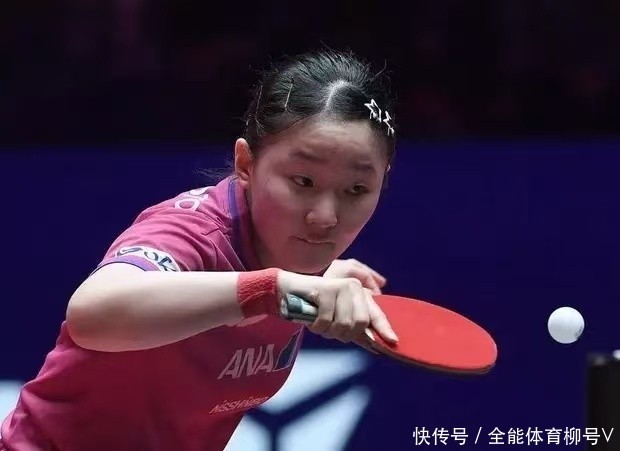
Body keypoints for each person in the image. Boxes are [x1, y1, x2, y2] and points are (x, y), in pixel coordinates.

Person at [0, 48, 399, 451]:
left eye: (356, 189)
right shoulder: (195, 232)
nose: (325, 217)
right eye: (303, 181)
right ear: (245, 164)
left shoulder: (292, 255)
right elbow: (92, 313)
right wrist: (272, 290)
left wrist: (312, 281)